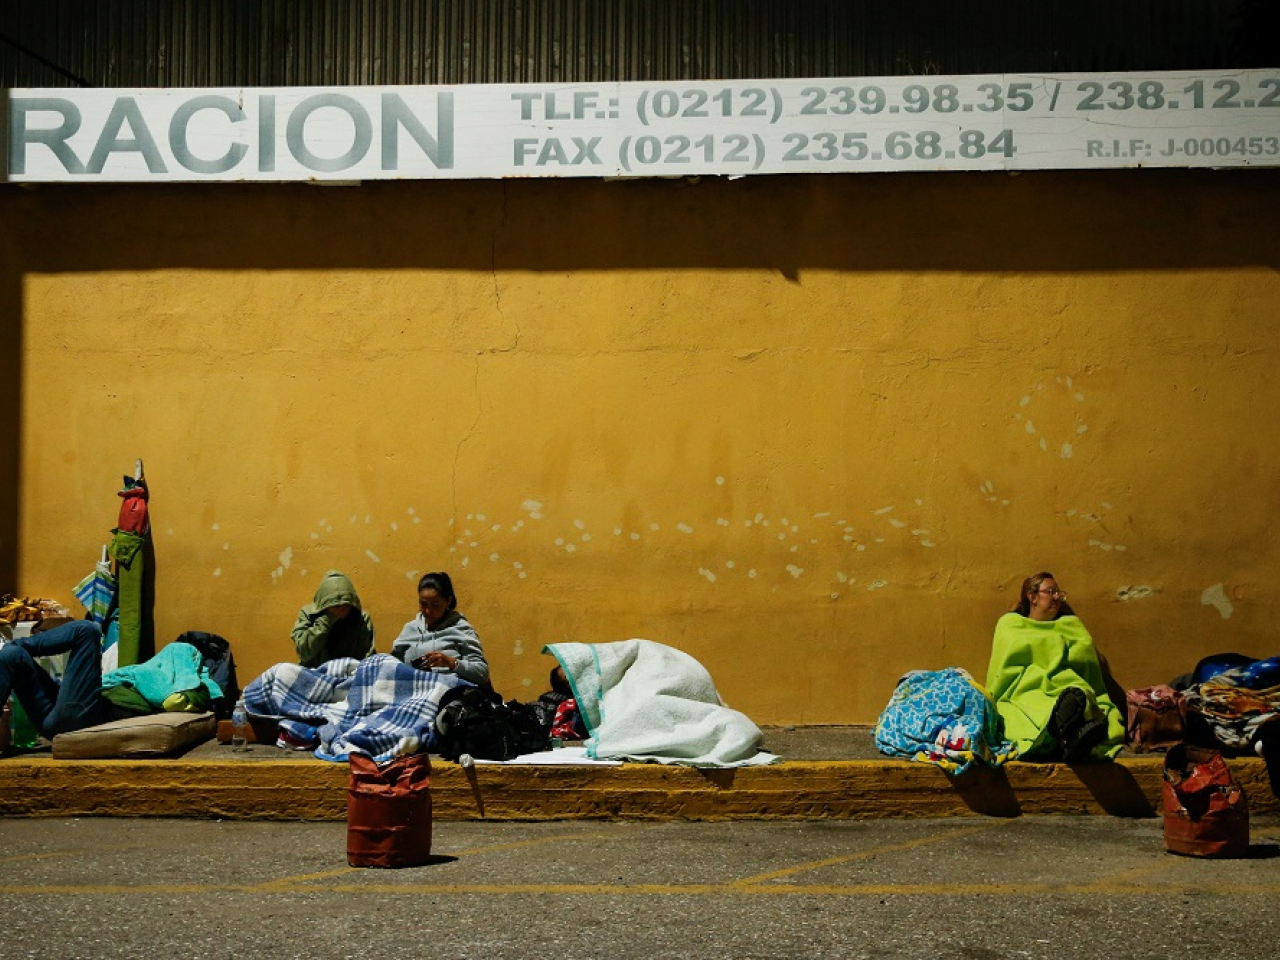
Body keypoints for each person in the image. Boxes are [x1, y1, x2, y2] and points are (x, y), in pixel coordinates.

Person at [985, 572, 1125, 762]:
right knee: (1038, 704)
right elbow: (1002, 670)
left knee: (1080, 694)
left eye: (1059, 593)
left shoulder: (1071, 625)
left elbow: (1086, 666)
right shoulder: (1010, 624)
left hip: (1067, 686)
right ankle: (1071, 737)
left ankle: (1066, 731)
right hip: (1026, 689)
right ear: (1032, 596)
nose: (1057, 597)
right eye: (1051, 592)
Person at [0, 620, 110, 739]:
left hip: (80, 717)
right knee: (11, 654)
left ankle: (12, 645)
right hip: (51, 717)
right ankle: (12, 646)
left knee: (86, 630)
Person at [390, 572, 489, 686]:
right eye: (423, 604)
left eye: (435, 605)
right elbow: (392, 665)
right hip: (413, 692)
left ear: (448, 601)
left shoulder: (461, 629)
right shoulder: (410, 629)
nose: (428, 611)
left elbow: (482, 672)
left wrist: (450, 662)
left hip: (448, 694)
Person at [291, 570, 376, 669]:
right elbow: (304, 653)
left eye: (345, 606)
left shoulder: (362, 619)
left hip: (351, 673)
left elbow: (367, 657)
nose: (341, 610)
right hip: (314, 673)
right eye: (335, 606)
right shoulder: (308, 614)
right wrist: (327, 620)